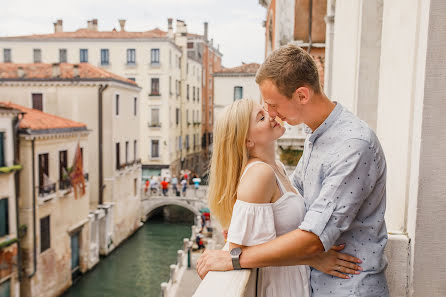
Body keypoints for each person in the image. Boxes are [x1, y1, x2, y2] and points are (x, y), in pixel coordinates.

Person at [197, 45, 389, 297]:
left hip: (349, 288)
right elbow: (298, 201)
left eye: (273, 105)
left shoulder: (351, 146)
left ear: (301, 95)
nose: (272, 114)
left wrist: (234, 258)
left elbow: (313, 239)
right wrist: (247, 225)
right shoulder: (317, 136)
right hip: (318, 284)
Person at [200, 98, 361, 296]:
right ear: (247, 140)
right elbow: (237, 251)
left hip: (292, 280)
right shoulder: (260, 174)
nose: (272, 115)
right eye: (261, 117)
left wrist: (311, 258)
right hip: (278, 286)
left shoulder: (277, 168)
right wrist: (312, 258)